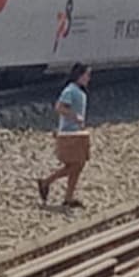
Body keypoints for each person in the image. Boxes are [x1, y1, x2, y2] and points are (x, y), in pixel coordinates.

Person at [38, 63, 92, 208]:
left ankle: (68, 197)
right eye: (87, 75)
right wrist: (75, 117)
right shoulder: (70, 90)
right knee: (76, 164)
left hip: (76, 132)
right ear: (79, 75)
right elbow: (59, 107)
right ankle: (46, 181)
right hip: (69, 132)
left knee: (78, 164)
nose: (89, 78)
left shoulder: (79, 91)